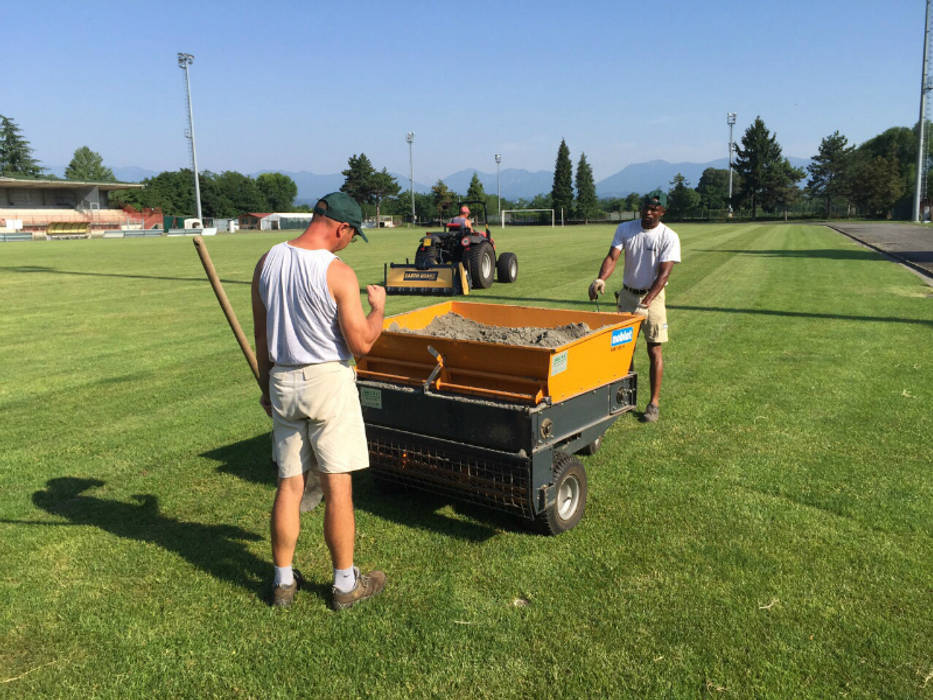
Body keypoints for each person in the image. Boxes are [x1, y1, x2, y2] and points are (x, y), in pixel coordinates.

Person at [251, 191, 387, 610]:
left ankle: (283, 583)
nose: (349, 242)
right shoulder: (337, 272)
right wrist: (378, 308)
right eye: (352, 234)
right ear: (341, 228)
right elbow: (361, 344)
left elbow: (260, 337)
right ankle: (346, 585)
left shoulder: (266, 262)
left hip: (283, 380)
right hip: (327, 381)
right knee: (337, 486)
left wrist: (264, 386)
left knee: (289, 486)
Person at [588, 195, 681, 423]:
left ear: (662, 212)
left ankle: (653, 404)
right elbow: (613, 256)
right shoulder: (625, 229)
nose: (647, 213)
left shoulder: (668, 236)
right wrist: (600, 279)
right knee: (622, 347)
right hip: (628, 295)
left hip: (653, 298)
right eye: (645, 209)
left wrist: (645, 303)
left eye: (653, 210)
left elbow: (664, 274)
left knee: (654, 349)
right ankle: (625, 397)